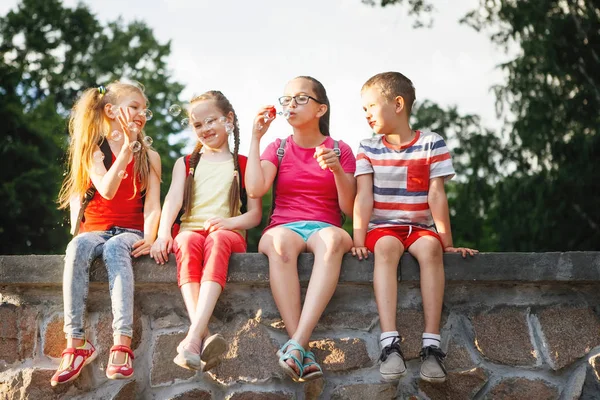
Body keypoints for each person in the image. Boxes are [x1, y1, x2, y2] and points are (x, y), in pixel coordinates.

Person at [352, 72, 478, 383]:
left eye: (370, 106)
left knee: (431, 248)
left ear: (397, 104)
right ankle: (390, 343)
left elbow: (436, 195)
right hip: (382, 228)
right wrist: (358, 238)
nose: (365, 113)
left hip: (419, 228)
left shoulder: (431, 143)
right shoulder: (368, 147)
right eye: (363, 108)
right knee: (385, 248)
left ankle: (431, 346)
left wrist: (446, 242)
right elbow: (364, 196)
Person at [245, 76, 356, 382]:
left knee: (334, 240)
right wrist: (255, 138)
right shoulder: (277, 148)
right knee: (279, 243)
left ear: (321, 109)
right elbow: (255, 188)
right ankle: (300, 348)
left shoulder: (340, 149)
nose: (290, 104)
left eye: (300, 98)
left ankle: (296, 345)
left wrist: (335, 169)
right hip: (284, 226)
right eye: (286, 99)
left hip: (326, 227)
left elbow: (348, 207)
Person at [52, 82, 161, 386]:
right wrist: (126, 149)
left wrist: (150, 237)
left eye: (144, 109)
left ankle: (122, 343)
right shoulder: (93, 150)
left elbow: (153, 206)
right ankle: (75, 344)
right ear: (111, 110)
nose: (141, 113)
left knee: (116, 249)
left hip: (130, 231)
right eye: (134, 106)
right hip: (96, 230)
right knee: (76, 248)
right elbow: (108, 189)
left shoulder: (150, 156)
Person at [150, 91, 262, 371]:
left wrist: (230, 223)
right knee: (185, 239)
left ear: (229, 119)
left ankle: (193, 336)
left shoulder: (245, 164)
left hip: (228, 235)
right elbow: (173, 200)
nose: (204, 129)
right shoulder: (186, 163)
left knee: (219, 237)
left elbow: (255, 215)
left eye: (210, 121)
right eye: (197, 125)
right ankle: (203, 333)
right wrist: (164, 233)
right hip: (192, 234)